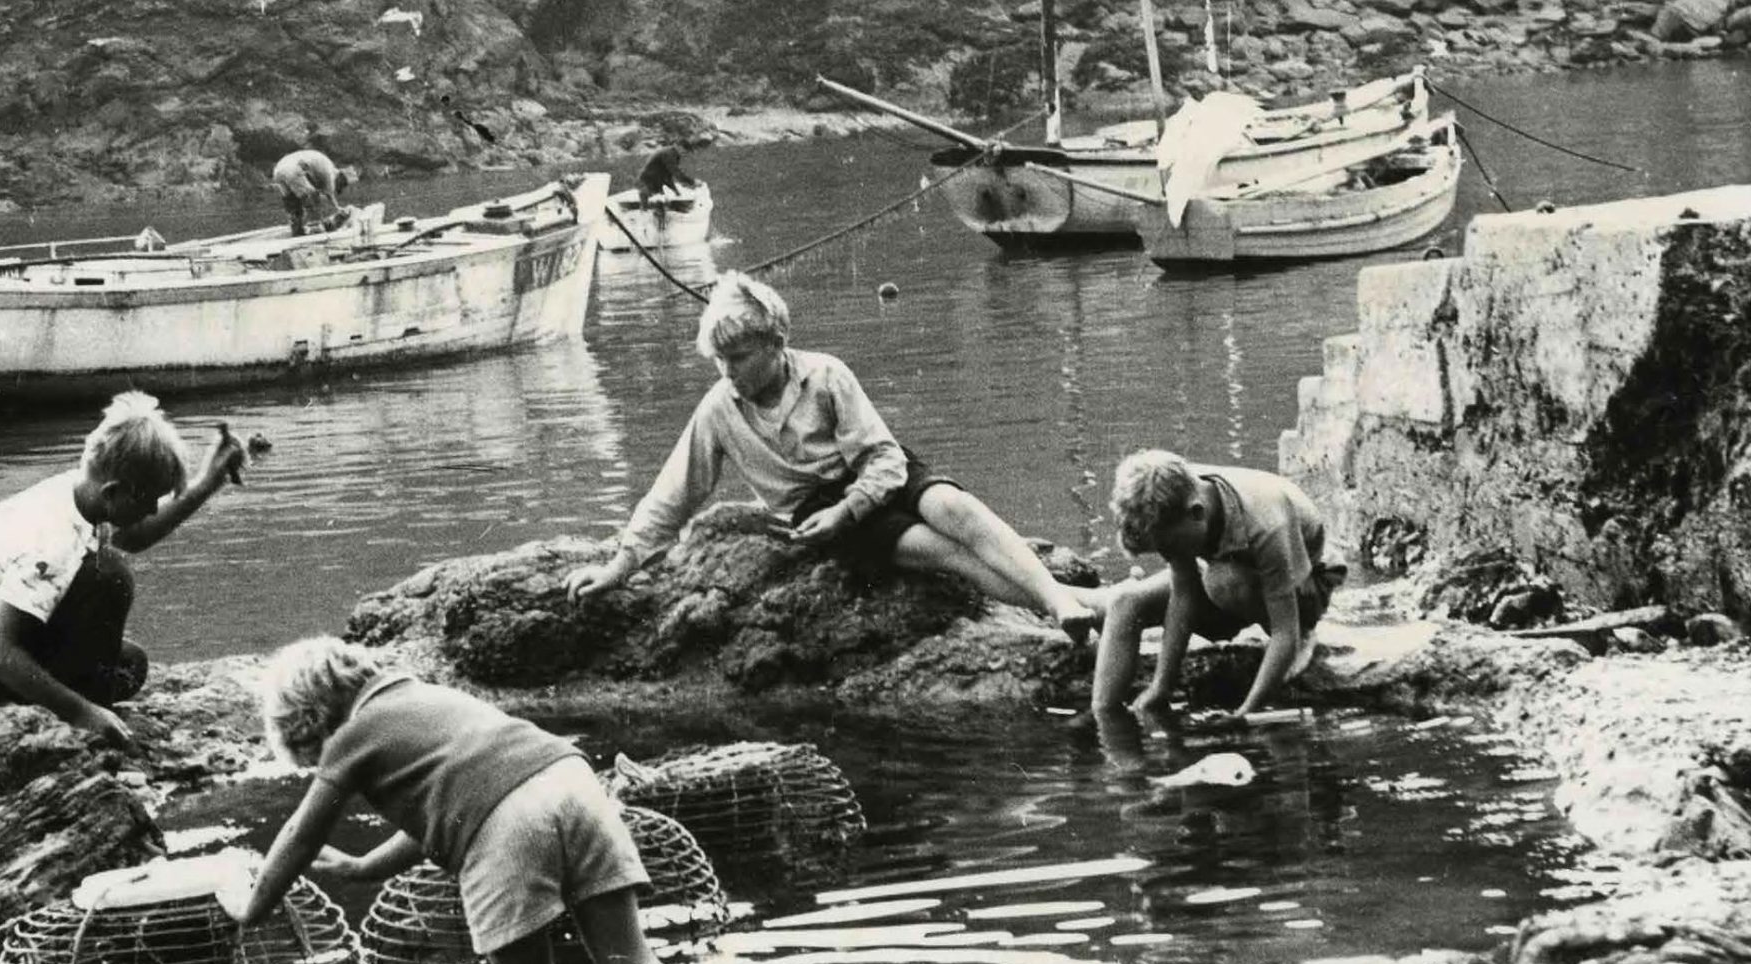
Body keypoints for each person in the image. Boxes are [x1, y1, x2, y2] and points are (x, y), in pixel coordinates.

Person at [239, 636, 704, 964]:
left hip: (508, 826)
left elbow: (301, 835)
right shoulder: (426, 695)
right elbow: (453, 806)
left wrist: (251, 909)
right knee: (632, 963)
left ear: (315, 719)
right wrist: (365, 867)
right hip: (573, 782)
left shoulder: (351, 735)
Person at [564, 273, 1099, 642]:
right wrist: (620, 564)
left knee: (955, 509)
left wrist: (853, 504)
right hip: (817, 510)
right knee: (944, 551)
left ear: (777, 342)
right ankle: (1087, 603)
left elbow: (884, 459)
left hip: (875, 474)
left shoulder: (825, 375)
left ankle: (1061, 603)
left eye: (740, 357)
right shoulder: (717, 411)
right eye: (719, 360)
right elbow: (672, 495)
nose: (728, 371)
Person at [0, 392, 245, 748]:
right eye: (149, 499)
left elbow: (135, 536)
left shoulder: (81, 494)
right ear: (113, 492)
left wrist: (208, 481)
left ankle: (81, 694)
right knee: (110, 576)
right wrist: (82, 713)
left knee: (130, 664)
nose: (154, 508)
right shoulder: (52, 540)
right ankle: (86, 703)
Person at [1088, 449, 1345, 724]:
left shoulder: (1266, 522)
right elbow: (1183, 592)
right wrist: (1160, 688)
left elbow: (1284, 633)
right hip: (1228, 579)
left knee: (1223, 581)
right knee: (1125, 602)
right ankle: (1103, 719)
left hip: (1303, 589)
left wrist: (1246, 713)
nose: (1168, 557)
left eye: (1170, 548)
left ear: (1197, 513)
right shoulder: (1179, 495)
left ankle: (1305, 636)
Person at [271, 144, 356, 237]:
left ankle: (296, 229)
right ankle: (315, 228)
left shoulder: (321, 166)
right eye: (342, 185)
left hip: (278, 170)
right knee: (312, 195)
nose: (340, 187)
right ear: (341, 177)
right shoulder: (330, 172)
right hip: (292, 169)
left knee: (291, 200)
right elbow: (328, 193)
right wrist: (338, 208)